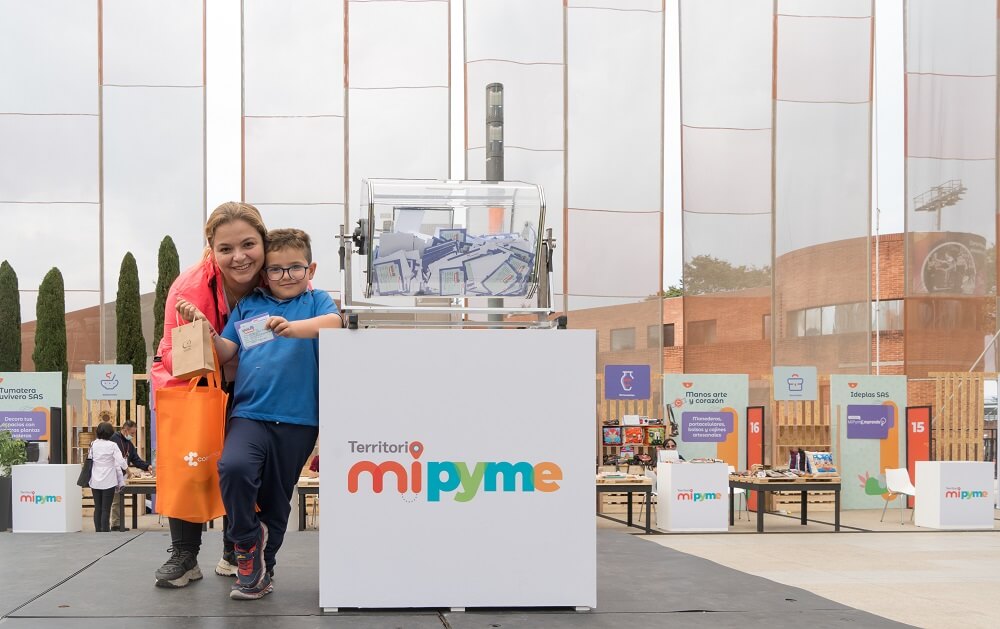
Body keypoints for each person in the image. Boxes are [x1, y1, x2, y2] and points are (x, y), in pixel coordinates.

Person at [196, 228, 342, 600]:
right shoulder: (250, 306)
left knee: (277, 500)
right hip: (249, 414)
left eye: (295, 268)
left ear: (311, 269)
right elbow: (226, 350)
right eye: (276, 270)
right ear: (265, 274)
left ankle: (262, 568)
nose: (285, 276)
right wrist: (207, 331)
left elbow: (335, 324)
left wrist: (294, 330)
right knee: (233, 468)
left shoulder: (316, 302)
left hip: (299, 421)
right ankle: (246, 541)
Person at [149, 201, 268, 588]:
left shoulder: (279, 278)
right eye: (226, 249)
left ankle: (237, 547)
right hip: (194, 385)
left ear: (264, 242)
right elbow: (169, 350)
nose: (239, 257)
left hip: (254, 385)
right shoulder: (189, 287)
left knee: (244, 466)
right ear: (211, 249)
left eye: (248, 244)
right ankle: (184, 555)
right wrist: (218, 360)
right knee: (192, 461)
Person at [108, 420, 152, 532]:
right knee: (116, 500)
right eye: (132, 433)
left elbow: (135, 459)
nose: (133, 436)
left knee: (118, 499)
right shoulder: (114, 439)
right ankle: (115, 524)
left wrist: (147, 467)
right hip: (112, 474)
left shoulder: (129, 444)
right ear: (125, 430)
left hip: (122, 475)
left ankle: (117, 523)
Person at [89, 421, 127, 533]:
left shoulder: (93, 444)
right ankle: (105, 531)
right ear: (110, 433)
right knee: (106, 508)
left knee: (98, 507)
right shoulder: (112, 445)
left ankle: (98, 530)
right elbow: (120, 461)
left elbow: (90, 460)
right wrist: (128, 470)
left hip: (95, 479)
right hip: (109, 480)